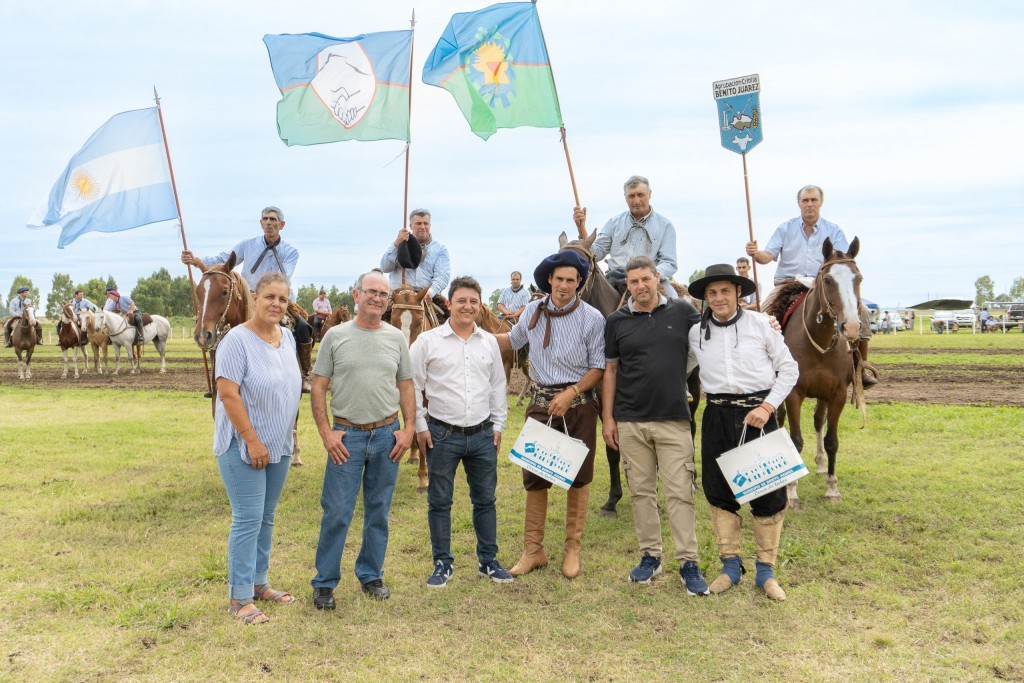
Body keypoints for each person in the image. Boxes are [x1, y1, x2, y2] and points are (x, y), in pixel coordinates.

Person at [686, 264, 799, 601]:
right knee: (719, 492)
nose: (719, 297)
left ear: (739, 293)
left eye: (725, 291)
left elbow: (789, 368)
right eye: (712, 292)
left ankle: (766, 572)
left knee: (769, 493)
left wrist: (768, 407)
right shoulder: (696, 333)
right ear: (705, 298)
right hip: (717, 415)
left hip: (759, 415)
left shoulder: (762, 325)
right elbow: (680, 368)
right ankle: (730, 567)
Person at [602, 256, 711, 595]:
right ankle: (651, 555)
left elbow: (715, 329)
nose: (640, 286)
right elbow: (611, 371)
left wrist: (764, 320)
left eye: (645, 279)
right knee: (641, 492)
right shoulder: (616, 321)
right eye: (633, 282)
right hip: (631, 420)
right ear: (627, 285)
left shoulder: (682, 312)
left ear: (657, 277)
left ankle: (688, 561)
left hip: (673, 418)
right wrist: (608, 418)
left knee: (680, 492)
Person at [496, 251, 606, 579]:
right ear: (549, 280)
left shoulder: (593, 318)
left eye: (571, 280)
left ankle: (572, 548)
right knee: (534, 477)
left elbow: (598, 366)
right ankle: (534, 550)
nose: (563, 285)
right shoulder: (531, 311)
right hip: (541, 402)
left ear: (579, 284)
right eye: (559, 279)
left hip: (577, 405)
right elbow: (511, 341)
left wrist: (571, 392)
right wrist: (472, 337)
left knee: (579, 475)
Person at [309, 269, 416, 609]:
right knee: (337, 510)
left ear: (388, 302)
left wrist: (409, 427)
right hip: (347, 436)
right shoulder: (336, 336)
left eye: (383, 294)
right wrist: (327, 434)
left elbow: (406, 386)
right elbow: (320, 386)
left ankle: (371, 574)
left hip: (387, 435)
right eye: (371, 291)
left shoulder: (396, 338)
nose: (377, 298)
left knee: (379, 510)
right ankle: (325, 582)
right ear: (356, 296)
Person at [410, 276, 513, 588]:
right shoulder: (427, 342)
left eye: (473, 301)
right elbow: (412, 385)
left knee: (485, 500)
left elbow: (498, 385)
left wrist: (498, 425)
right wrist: (420, 425)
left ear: (479, 305)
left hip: (482, 434)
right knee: (439, 501)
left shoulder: (490, 343)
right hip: (441, 433)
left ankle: (488, 561)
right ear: (450, 304)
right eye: (461, 300)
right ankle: (442, 563)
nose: (468, 306)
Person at [212, 271, 303, 624]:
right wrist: (251, 439)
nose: (276, 304)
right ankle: (239, 597)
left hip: (278, 444)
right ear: (255, 297)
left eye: (282, 299)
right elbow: (228, 393)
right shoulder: (236, 341)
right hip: (242, 444)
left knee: (266, 517)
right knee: (248, 517)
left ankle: (260, 582)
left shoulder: (289, 338)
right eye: (270, 297)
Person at [745, 185, 875, 386]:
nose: (810, 204)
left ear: (820, 202)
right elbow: (767, 256)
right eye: (805, 201)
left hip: (823, 285)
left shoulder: (833, 230)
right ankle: (760, 366)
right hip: (787, 284)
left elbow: (842, 261)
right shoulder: (785, 228)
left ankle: (860, 367)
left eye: (814, 200)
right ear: (799, 204)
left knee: (863, 312)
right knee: (762, 316)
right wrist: (756, 253)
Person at [181, 206, 315, 392]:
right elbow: (224, 259)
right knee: (223, 326)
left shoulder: (290, 252)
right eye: (265, 219)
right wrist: (196, 260)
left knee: (301, 326)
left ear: (281, 225)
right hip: (247, 296)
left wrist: (264, 294)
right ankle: (221, 378)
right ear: (261, 223)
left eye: (273, 219)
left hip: (275, 297)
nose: (269, 222)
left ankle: (304, 374)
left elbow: (283, 277)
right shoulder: (247, 244)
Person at [575, 175, 678, 297]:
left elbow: (669, 263)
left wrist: (648, 276)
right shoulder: (614, 223)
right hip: (614, 280)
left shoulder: (665, 226)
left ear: (649, 194)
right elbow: (595, 254)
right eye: (631, 196)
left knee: (675, 301)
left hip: (650, 282)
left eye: (640, 195)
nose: (636, 201)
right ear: (625, 198)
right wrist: (581, 230)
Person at [379, 208, 451, 317]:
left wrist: (430, 292)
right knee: (379, 322)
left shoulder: (440, 249)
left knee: (448, 320)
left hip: (425, 296)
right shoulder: (399, 244)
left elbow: (442, 276)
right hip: (398, 297)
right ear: (411, 226)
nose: (422, 227)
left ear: (430, 225)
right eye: (418, 223)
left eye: (425, 223)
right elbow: (385, 267)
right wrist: (396, 244)